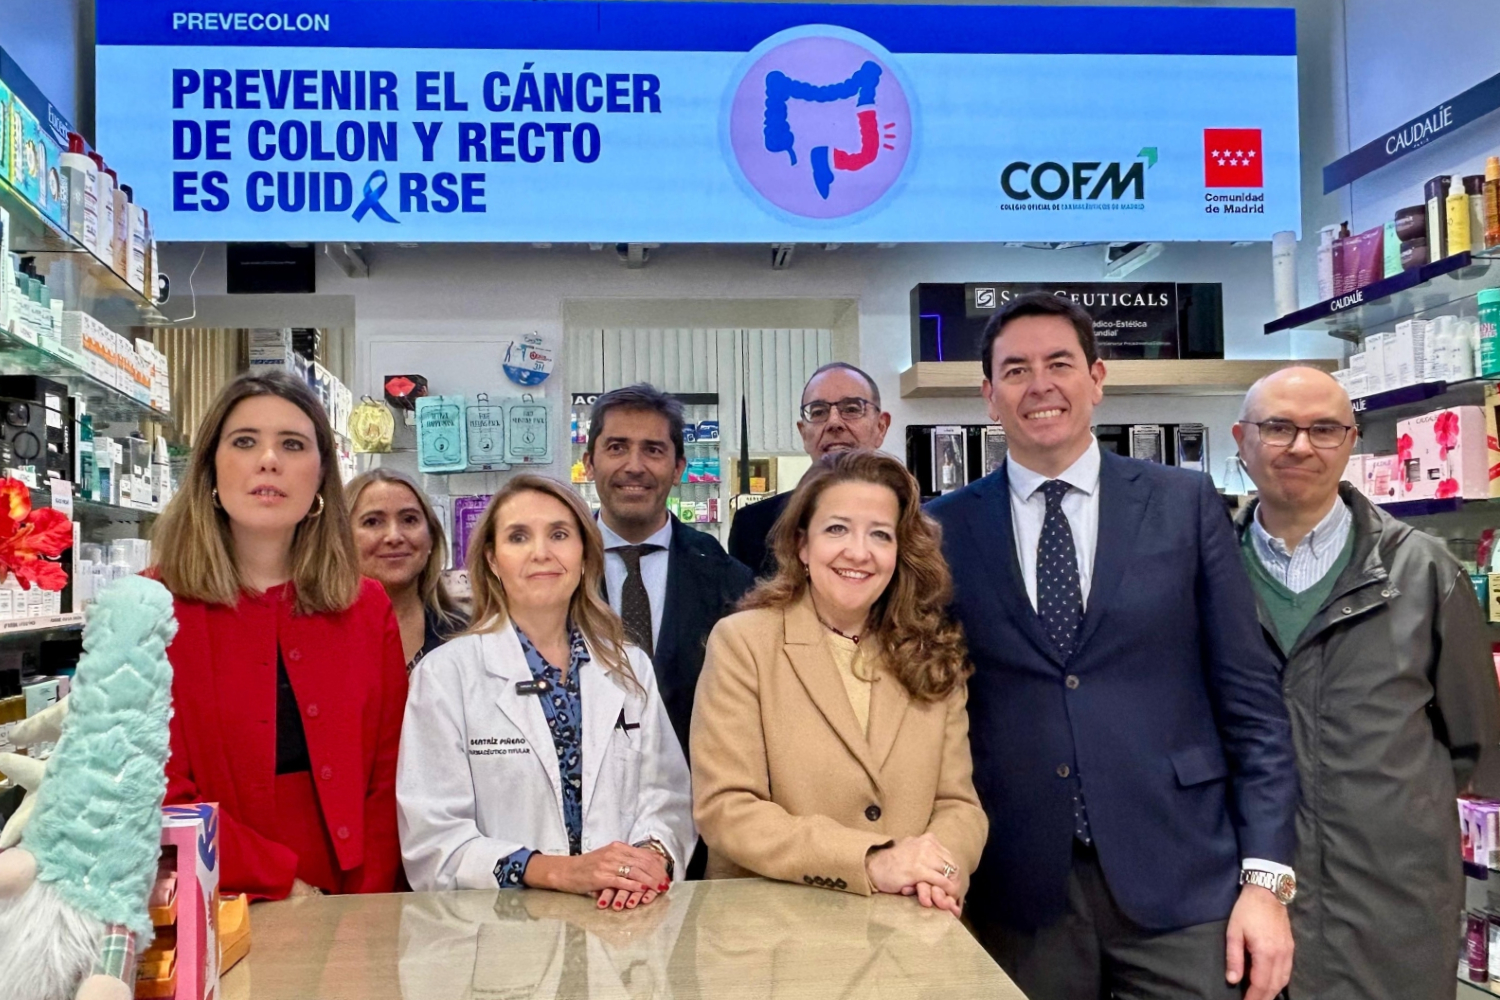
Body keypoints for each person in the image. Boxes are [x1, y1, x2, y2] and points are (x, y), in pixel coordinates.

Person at [926, 292, 1299, 1000]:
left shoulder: (1184, 504)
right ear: (989, 396)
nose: (1040, 385)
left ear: (1097, 378)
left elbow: (1252, 705)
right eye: (1015, 370)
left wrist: (1266, 881)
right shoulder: (942, 529)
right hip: (1019, 892)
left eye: (1060, 363)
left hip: (1185, 880)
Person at [1232, 366, 1500, 1000]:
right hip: (1238, 899)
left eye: (1325, 429)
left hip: (1389, 904)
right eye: (1278, 427)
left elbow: (1474, 743)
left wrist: (1386, 811)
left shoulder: (1425, 572)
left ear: (1351, 441)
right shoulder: (1202, 570)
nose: (1301, 446)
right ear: (1242, 440)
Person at [692, 449, 987, 914]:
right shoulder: (743, 643)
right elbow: (727, 809)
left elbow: (959, 805)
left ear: (899, 551)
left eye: (880, 534)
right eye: (837, 529)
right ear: (802, 545)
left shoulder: (932, 651)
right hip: (775, 930)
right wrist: (871, 861)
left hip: (908, 928)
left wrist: (941, 871)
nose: (858, 552)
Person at [153, 372, 407, 899]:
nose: (269, 460)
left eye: (292, 444)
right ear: (210, 468)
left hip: (357, 898)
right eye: (245, 441)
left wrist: (366, 904)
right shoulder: (151, 608)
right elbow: (153, 785)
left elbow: (391, 777)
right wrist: (279, 885)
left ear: (321, 476)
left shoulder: (366, 606)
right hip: (211, 897)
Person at [397, 475, 693, 910]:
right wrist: (560, 871)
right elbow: (435, 841)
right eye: (518, 537)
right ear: (492, 560)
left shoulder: (628, 666)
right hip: (502, 928)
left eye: (559, 534)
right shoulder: (445, 675)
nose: (541, 553)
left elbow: (667, 798)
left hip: (624, 919)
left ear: (585, 554)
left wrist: (648, 860)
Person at [583, 384, 753, 755]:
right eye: (617, 447)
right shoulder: (556, 571)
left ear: (678, 468)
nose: (634, 466)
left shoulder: (730, 580)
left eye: (653, 450)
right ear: (589, 463)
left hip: (695, 784)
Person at [728, 362, 892, 577]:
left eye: (852, 409)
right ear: (803, 433)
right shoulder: (754, 526)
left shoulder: (917, 522)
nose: (834, 422)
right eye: (819, 412)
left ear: (881, 427)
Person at [348, 468, 467, 671]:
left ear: (431, 537)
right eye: (373, 522)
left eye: (409, 519)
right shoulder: (315, 636)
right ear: (341, 538)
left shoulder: (466, 637)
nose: (394, 536)